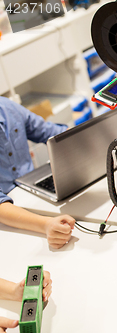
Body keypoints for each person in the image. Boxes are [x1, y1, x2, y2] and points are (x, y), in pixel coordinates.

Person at [0, 96, 75, 249]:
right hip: (8, 218)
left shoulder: (7, 107)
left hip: (34, 192)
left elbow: (53, 133)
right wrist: (46, 224)